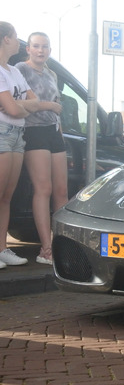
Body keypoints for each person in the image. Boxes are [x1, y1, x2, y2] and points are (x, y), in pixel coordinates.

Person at [0, 22, 61, 268]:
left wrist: (20, 106)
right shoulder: (11, 70)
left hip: (17, 133)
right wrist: (21, 106)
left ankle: (2, 248)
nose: (20, 43)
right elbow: (16, 108)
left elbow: (29, 103)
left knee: (7, 197)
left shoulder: (12, 72)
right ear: (5, 39)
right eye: (17, 38)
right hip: (4, 132)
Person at [15, 32, 67, 265]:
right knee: (43, 189)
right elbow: (27, 103)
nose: (40, 50)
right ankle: (45, 249)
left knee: (62, 192)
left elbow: (56, 108)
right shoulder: (20, 69)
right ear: (28, 49)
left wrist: (60, 130)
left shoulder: (51, 73)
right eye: (36, 46)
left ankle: (60, 245)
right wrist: (51, 106)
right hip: (33, 131)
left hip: (54, 132)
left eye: (45, 47)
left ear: (50, 50)